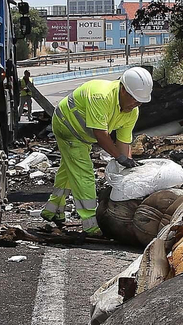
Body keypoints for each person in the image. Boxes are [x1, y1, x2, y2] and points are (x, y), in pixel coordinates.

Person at [42, 66, 153, 236]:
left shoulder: (132, 112)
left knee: (69, 170)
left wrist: (128, 168)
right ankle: (91, 223)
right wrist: (119, 157)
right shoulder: (101, 96)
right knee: (83, 174)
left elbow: (123, 142)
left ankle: (52, 210)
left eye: (140, 101)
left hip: (83, 135)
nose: (136, 104)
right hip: (67, 126)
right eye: (134, 99)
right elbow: (101, 135)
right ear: (123, 89)